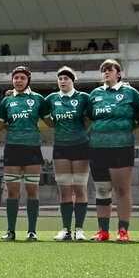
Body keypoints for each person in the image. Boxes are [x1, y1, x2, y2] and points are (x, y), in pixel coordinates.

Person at [86, 59, 139, 241]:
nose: (106, 73)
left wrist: (124, 128)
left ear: (118, 73)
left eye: (109, 70)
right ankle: (103, 231)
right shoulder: (95, 94)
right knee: (102, 190)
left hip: (121, 146)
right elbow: (89, 116)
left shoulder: (130, 93)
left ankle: (123, 230)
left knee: (122, 190)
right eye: (103, 70)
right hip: (97, 147)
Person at [0, 66, 50, 241]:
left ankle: (32, 231)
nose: (18, 81)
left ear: (28, 80)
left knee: (32, 190)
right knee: (12, 191)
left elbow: (49, 121)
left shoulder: (38, 99)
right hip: (12, 148)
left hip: (32, 148)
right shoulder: (6, 101)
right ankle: (11, 231)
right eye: (16, 78)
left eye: (22, 78)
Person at [43, 67, 91, 241]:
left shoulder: (84, 98)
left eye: (66, 78)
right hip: (60, 148)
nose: (62, 81)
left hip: (80, 147)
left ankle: (79, 229)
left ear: (72, 80)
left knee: (80, 189)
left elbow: (90, 117)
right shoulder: (51, 99)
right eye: (60, 78)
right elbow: (43, 115)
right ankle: (65, 229)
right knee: (64, 190)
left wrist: (80, 131)